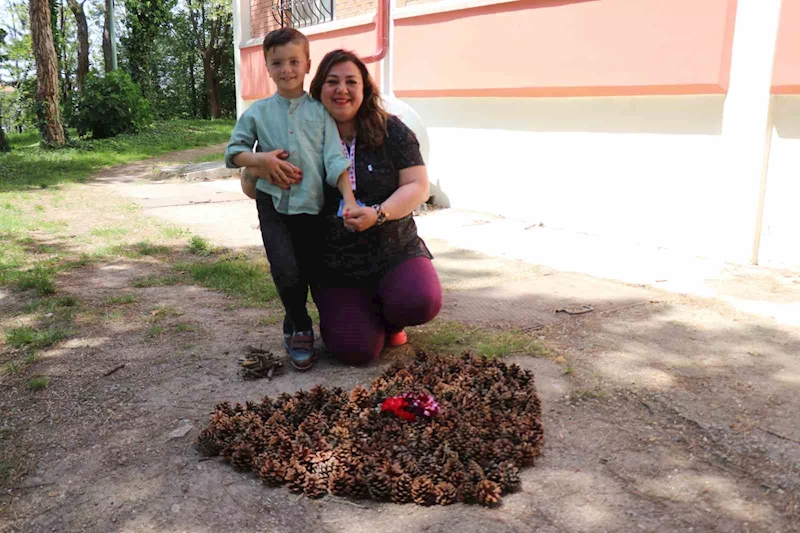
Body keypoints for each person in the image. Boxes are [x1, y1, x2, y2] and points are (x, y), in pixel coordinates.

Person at [225, 29, 357, 371]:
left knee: (309, 269)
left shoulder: (320, 114)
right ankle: (300, 325)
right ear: (267, 67)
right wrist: (261, 161)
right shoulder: (257, 113)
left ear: (307, 65)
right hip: (273, 206)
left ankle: (295, 318)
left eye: (294, 61)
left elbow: (335, 159)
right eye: (277, 63)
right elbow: (234, 152)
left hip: (313, 206)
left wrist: (350, 199)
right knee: (284, 268)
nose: (286, 69)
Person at [309, 49, 443, 366]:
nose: (342, 89)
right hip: (335, 264)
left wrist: (379, 213)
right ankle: (360, 316)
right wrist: (255, 169)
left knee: (419, 302)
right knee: (356, 351)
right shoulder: (303, 136)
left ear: (365, 89)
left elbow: (417, 186)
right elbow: (256, 184)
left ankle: (390, 315)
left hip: (394, 250)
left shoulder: (391, 130)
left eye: (351, 81)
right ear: (319, 89)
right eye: (332, 81)